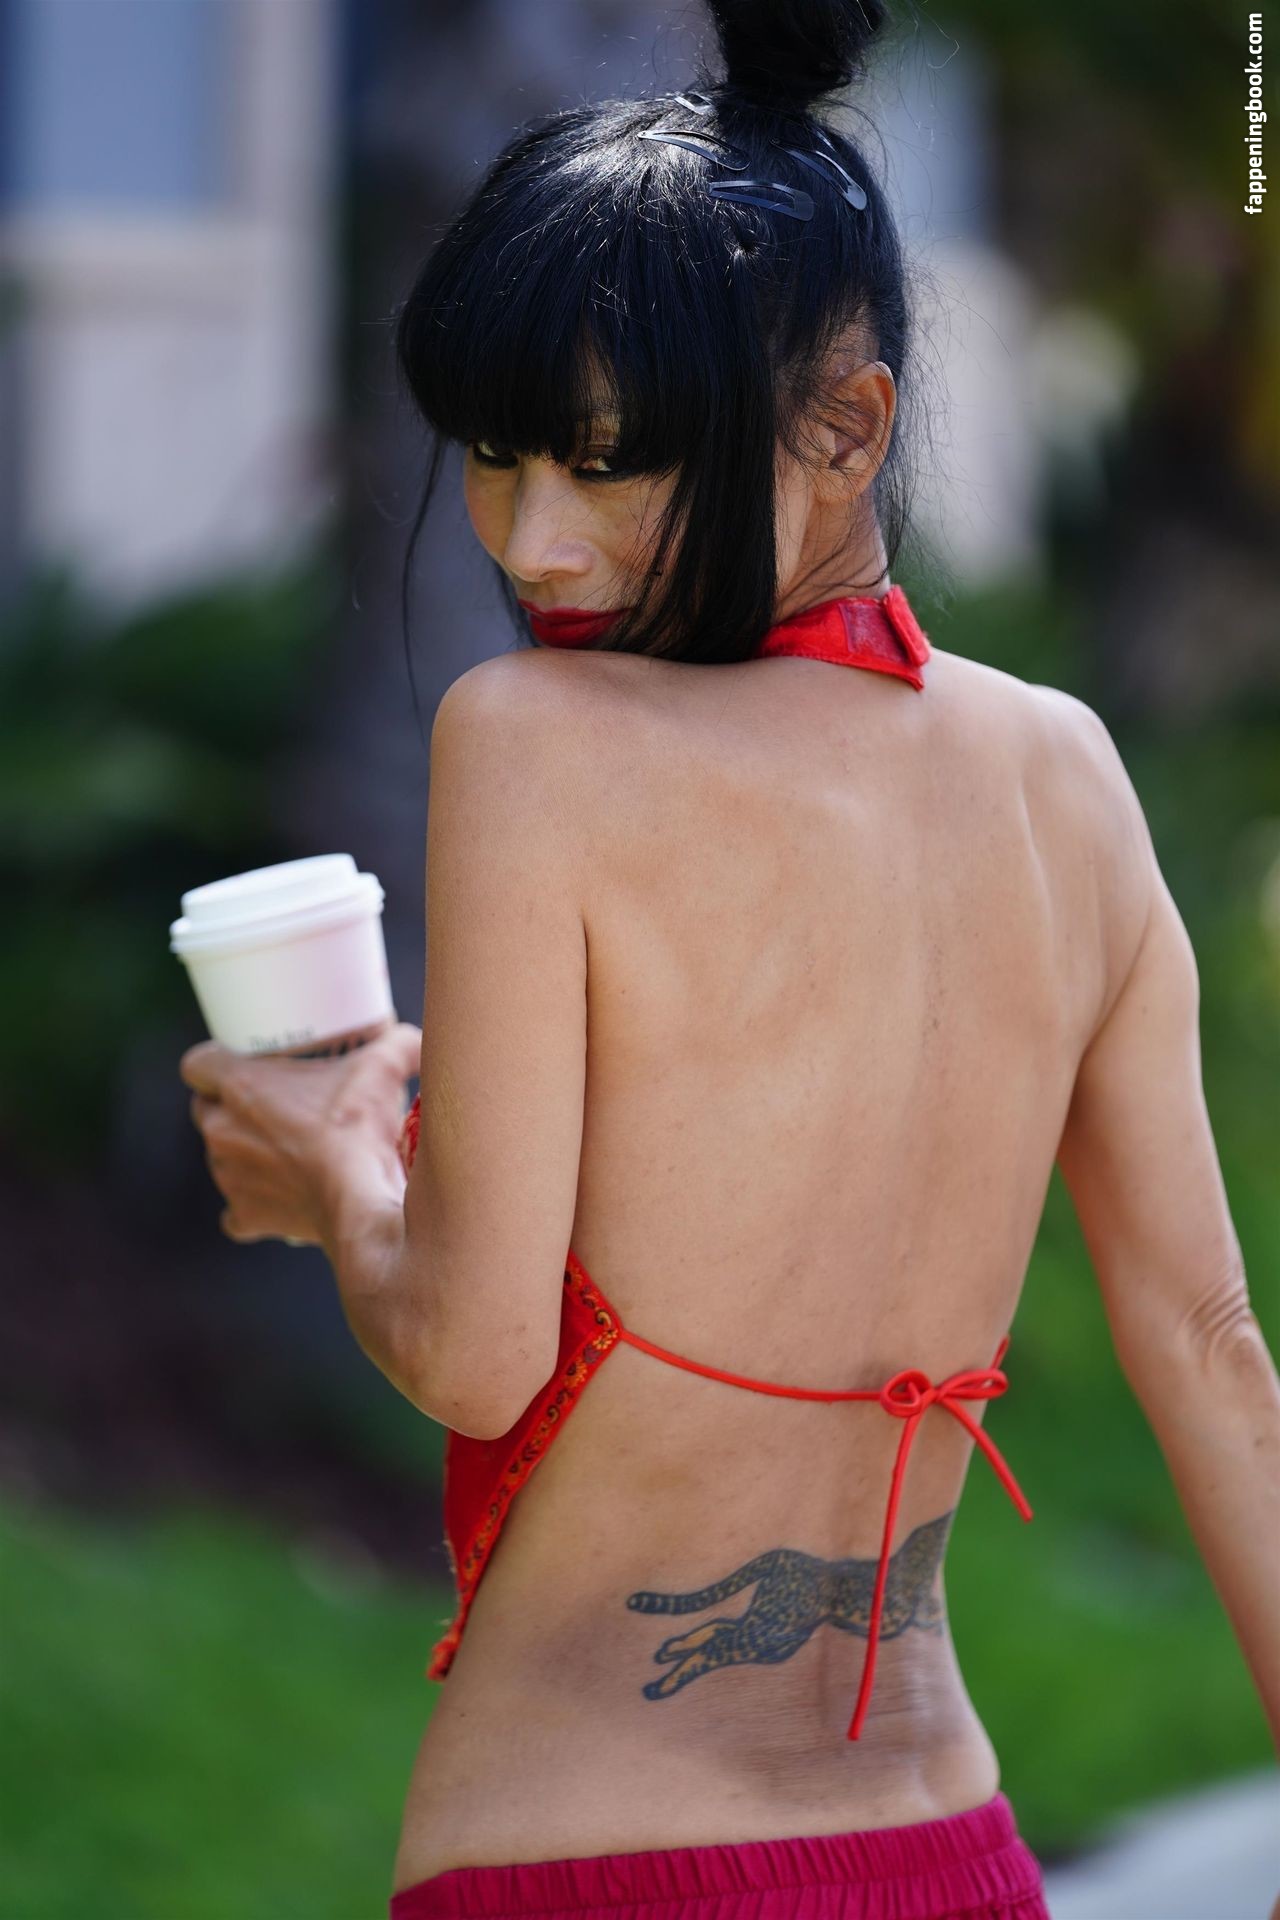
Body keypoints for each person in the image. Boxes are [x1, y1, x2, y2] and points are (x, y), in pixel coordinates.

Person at [181, 0, 1280, 1915]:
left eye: (607, 465)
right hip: (950, 1848)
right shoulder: (1068, 775)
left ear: (846, 428)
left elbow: (474, 1354)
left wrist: (340, 1177)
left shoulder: (535, 740)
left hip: (591, 1854)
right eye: (496, 456)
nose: (534, 545)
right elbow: (1208, 1349)